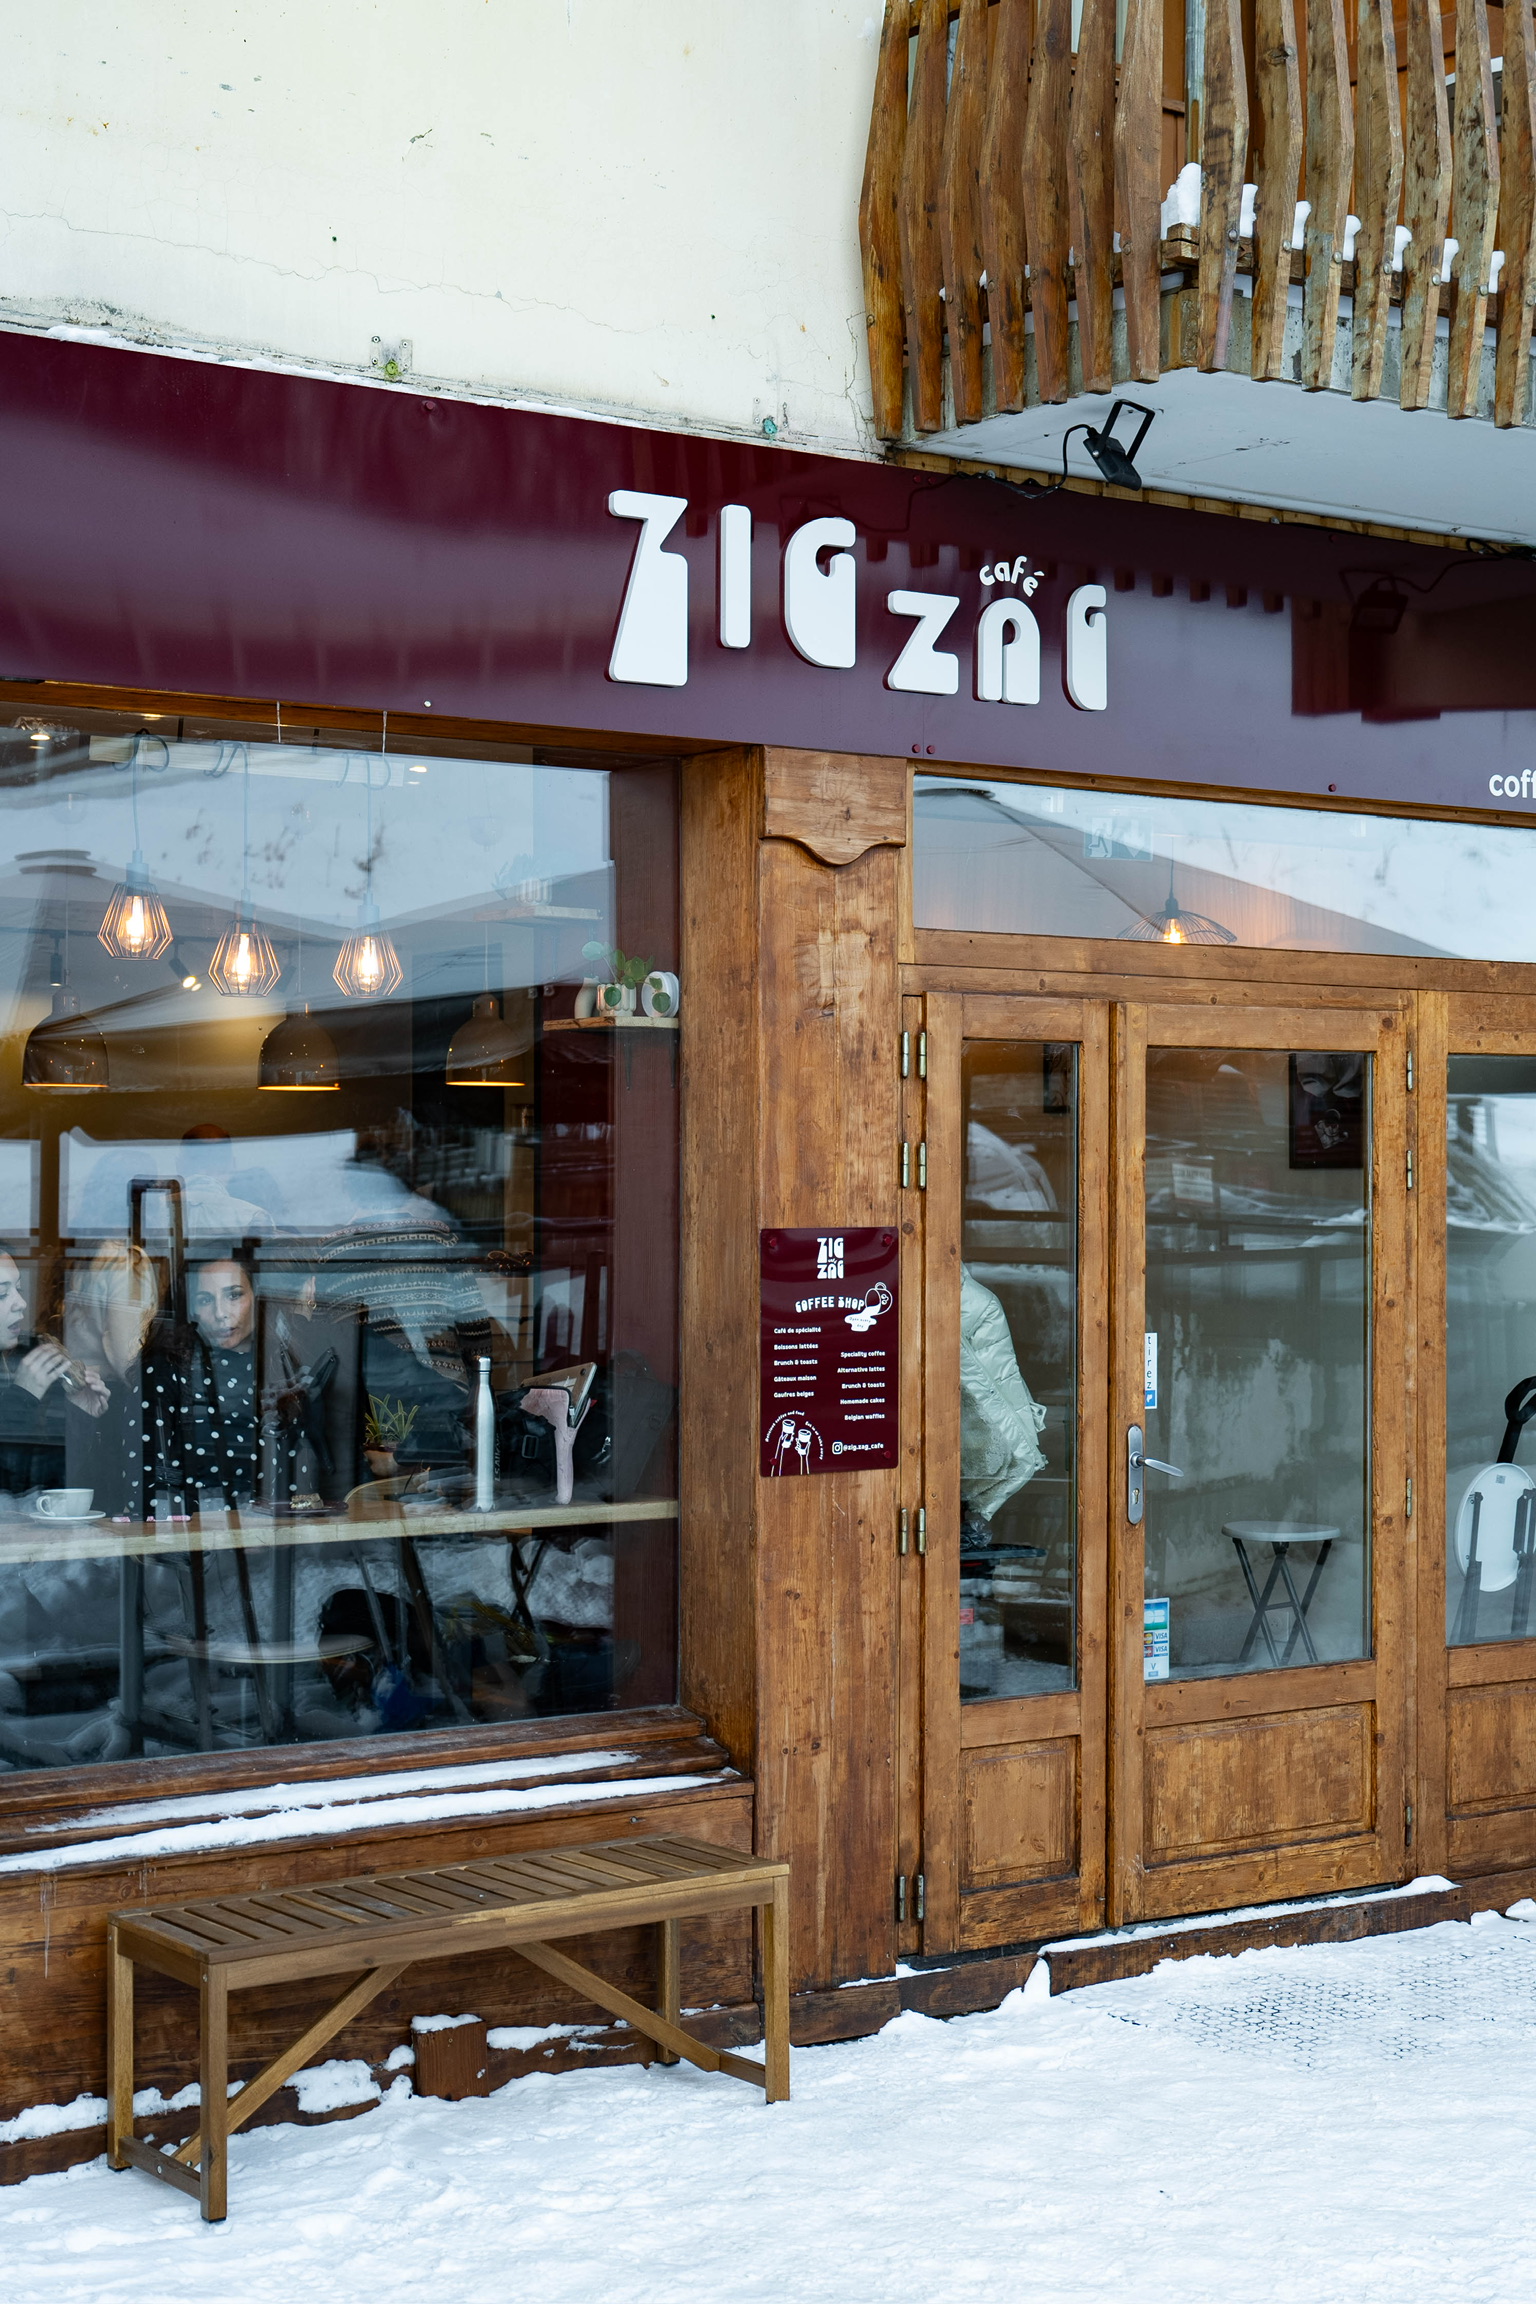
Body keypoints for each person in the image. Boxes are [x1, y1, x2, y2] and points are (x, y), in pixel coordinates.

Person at [0, 1247, 108, 1498]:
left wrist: (80, 1413)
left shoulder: (23, 1359)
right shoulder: (25, 1375)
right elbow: (9, 1480)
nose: (21, 1303)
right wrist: (22, 1397)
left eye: (19, 1289)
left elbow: (47, 1486)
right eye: (2, 1293)